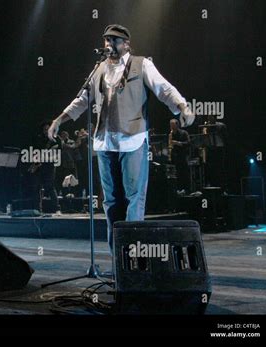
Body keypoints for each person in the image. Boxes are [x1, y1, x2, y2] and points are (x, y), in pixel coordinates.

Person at [48, 24, 195, 251]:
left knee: (134, 198)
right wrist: (59, 120)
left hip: (132, 140)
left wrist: (182, 107)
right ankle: (118, 258)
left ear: (127, 44)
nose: (109, 44)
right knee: (110, 201)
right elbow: (82, 100)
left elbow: (164, 89)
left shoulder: (142, 64)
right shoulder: (98, 69)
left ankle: (135, 256)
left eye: (115, 40)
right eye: (107, 40)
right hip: (105, 143)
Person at [169, 118, 191, 194]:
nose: (171, 127)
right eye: (170, 125)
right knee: (176, 174)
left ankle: (186, 190)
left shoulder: (184, 133)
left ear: (177, 125)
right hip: (174, 156)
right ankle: (178, 189)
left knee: (184, 173)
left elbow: (188, 143)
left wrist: (178, 143)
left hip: (183, 156)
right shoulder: (170, 134)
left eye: (173, 125)